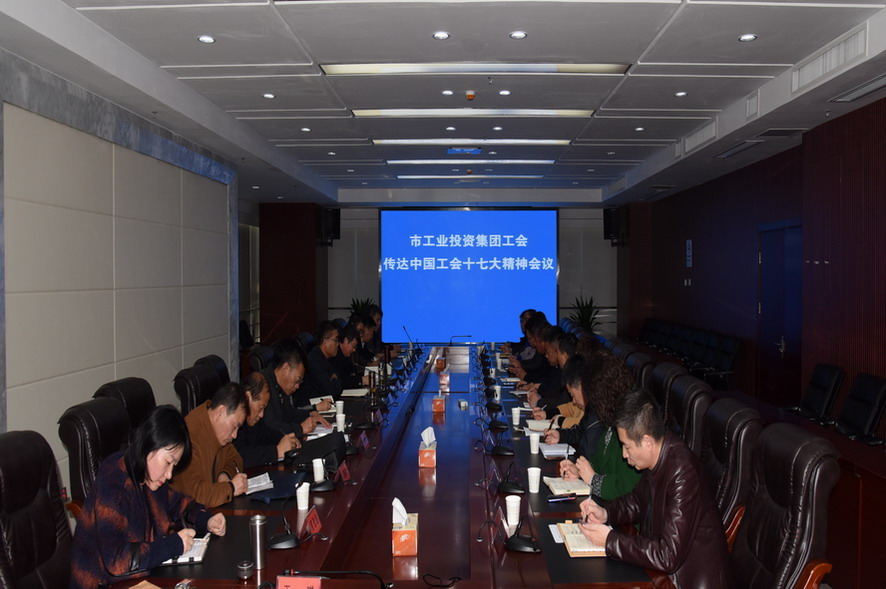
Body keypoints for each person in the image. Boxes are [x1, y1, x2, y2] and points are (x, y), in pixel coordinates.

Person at [579, 389, 734, 589]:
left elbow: (667, 555)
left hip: (686, 581)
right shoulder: (657, 456)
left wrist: (610, 540)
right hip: (661, 574)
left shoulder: (683, 473)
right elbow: (636, 501)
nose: (624, 454)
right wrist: (605, 513)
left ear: (647, 442)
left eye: (626, 446)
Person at [70, 405, 226, 589]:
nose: (169, 474)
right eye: (168, 462)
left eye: (174, 466)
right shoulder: (113, 481)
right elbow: (116, 560)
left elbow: (178, 504)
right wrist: (172, 545)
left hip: (141, 579)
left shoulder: (148, 476)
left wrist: (205, 519)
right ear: (149, 445)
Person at [559, 352, 641, 501]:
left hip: (619, 509)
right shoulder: (612, 414)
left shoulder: (633, 418)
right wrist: (579, 470)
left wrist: (593, 480)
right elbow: (599, 460)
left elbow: (627, 486)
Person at [169, 382, 247, 508]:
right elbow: (197, 496)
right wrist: (231, 488)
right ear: (220, 412)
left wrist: (225, 474)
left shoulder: (219, 432)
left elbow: (236, 459)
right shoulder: (190, 437)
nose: (235, 435)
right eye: (234, 426)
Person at [262, 336, 330, 439]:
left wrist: (310, 414)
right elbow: (271, 428)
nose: (297, 386)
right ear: (286, 368)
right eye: (297, 380)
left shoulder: (279, 385)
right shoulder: (264, 387)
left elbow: (289, 413)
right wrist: (300, 429)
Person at [544, 354, 604, 463]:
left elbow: (589, 455)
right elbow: (580, 431)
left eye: (572, 395)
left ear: (583, 387)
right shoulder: (591, 407)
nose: (573, 401)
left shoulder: (600, 413)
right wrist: (560, 435)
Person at [233, 372, 301, 468]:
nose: (261, 415)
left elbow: (266, 434)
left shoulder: (254, 420)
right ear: (248, 397)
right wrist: (276, 451)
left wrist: (287, 440)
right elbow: (239, 456)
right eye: (260, 407)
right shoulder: (234, 422)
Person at [298, 320, 343, 405]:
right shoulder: (314, 361)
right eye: (336, 340)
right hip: (309, 408)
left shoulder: (324, 357)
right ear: (325, 341)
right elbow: (331, 393)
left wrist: (334, 378)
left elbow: (339, 378)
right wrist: (334, 378)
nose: (338, 344)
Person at [332, 323, 368, 389]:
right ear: (346, 341)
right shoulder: (335, 355)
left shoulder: (345, 355)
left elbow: (352, 369)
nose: (354, 350)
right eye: (353, 346)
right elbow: (341, 380)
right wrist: (362, 380)